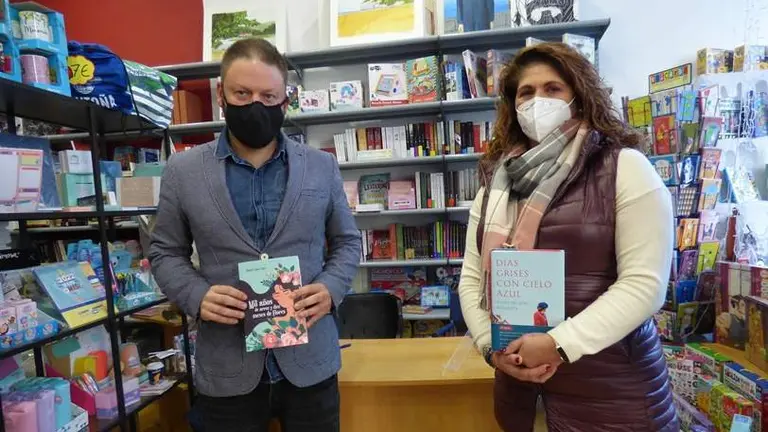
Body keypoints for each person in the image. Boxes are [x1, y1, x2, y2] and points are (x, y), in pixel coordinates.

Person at [457, 42, 678, 431]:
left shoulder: (625, 169)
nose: (537, 100)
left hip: (613, 399)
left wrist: (559, 343)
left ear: (579, 95)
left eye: (552, 89)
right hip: (522, 397)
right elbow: (472, 280)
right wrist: (491, 349)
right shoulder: (495, 187)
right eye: (526, 92)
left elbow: (644, 285)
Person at [149, 38, 361, 432]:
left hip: (310, 366)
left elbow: (348, 242)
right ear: (221, 95)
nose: (256, 105)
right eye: (242, 93)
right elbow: (164, 252)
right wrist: (196, 296)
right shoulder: (182, 170)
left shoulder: (321, 167)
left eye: (269, 95)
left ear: (285, 100)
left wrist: (331, 288)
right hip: (227, 372)